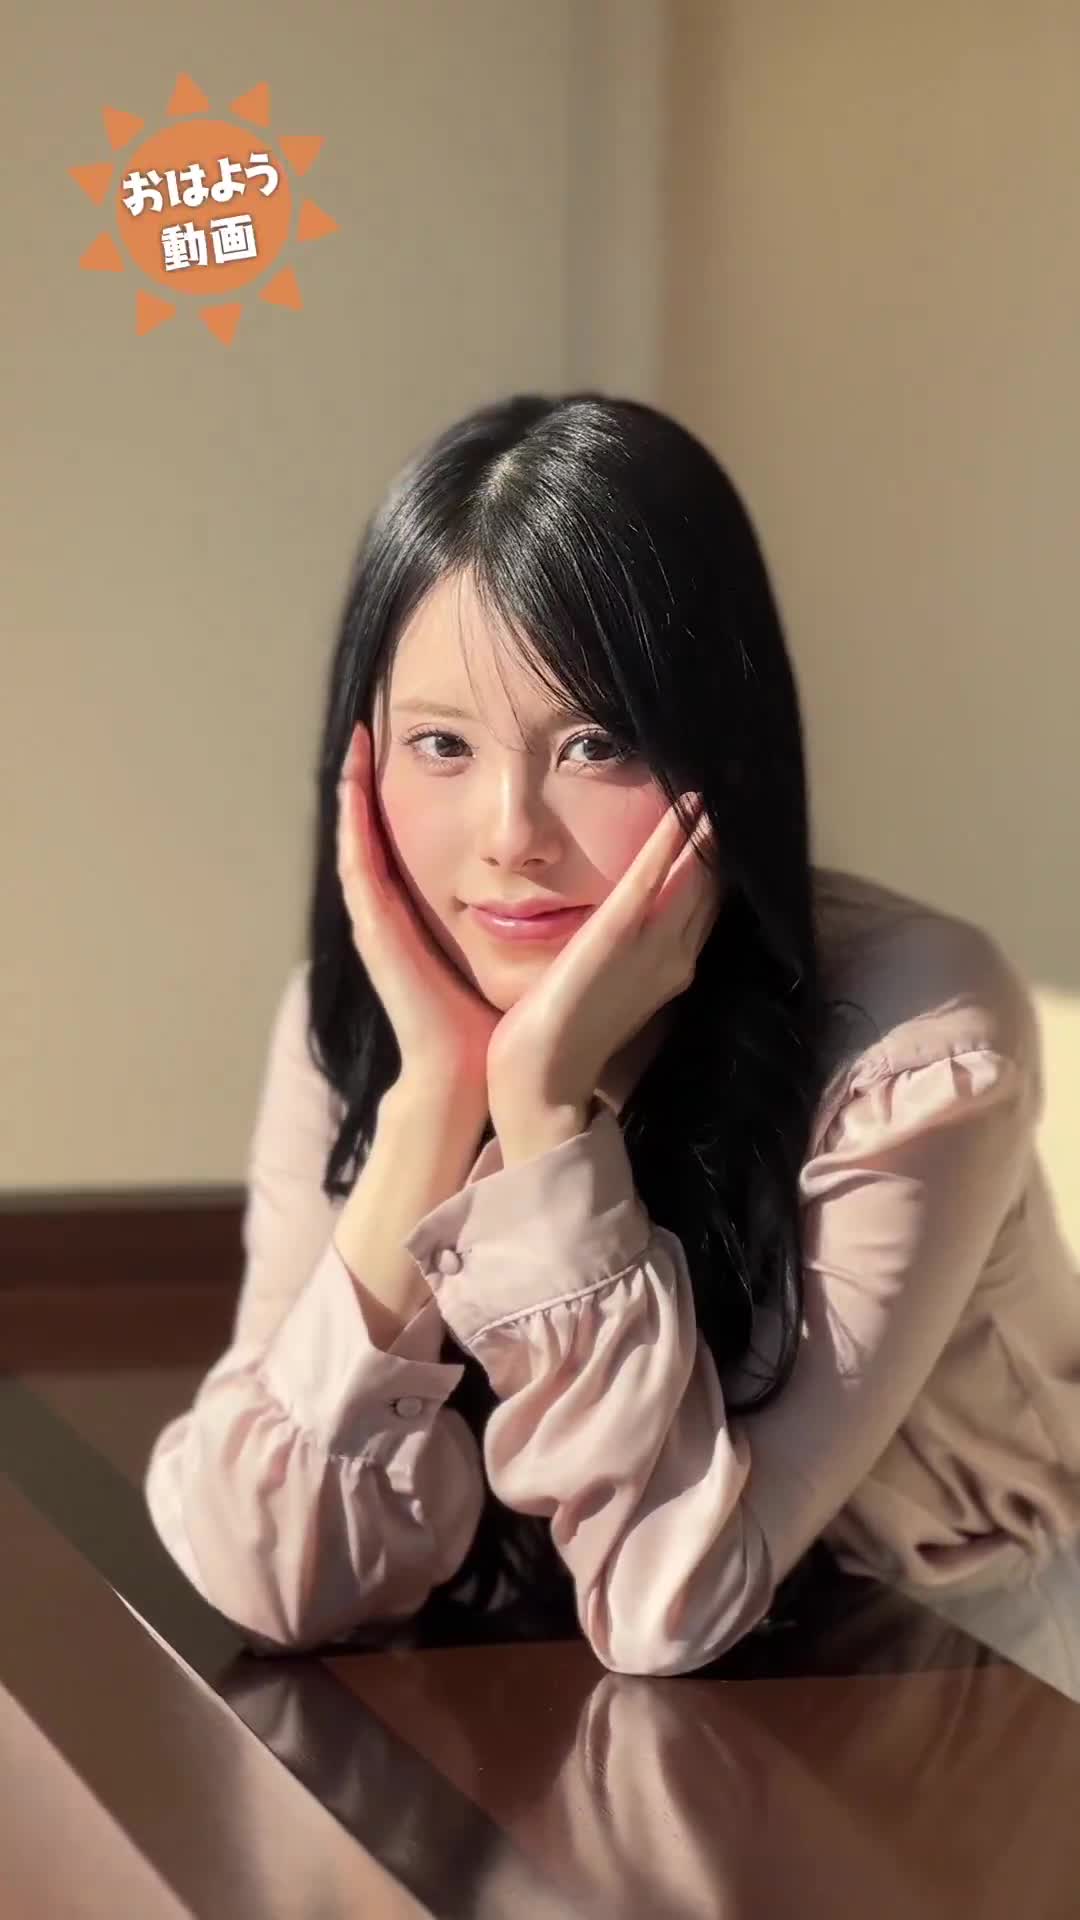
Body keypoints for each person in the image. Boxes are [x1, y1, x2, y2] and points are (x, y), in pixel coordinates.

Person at [144, 392, 1080, 1693]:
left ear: (722, 752)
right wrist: (436, 1101)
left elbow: (672, 1602)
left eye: (596, 742)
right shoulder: (354, 1023)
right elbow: (276, 1575)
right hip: (575, 1702)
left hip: (961, 1688)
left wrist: (542, 1113)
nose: (511, 835)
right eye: (441, 744)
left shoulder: (915, 1041)